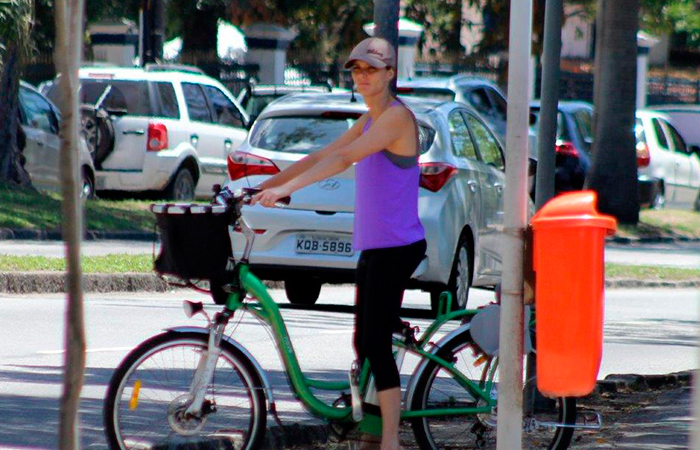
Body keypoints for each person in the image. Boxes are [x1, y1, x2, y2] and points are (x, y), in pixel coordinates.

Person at [252, 37, 426, 450]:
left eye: (371, 69)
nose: (362, 76)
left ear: (390, 74)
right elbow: (321, 156)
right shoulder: (367, 120)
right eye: (357, 69)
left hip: (397, 247)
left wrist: (287, 190)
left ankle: (389, 441)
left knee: (375, 342)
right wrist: (261, 185)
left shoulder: (397, 119)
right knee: (363, 341)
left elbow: (344, 160)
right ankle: (370, 429)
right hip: (376, 246)